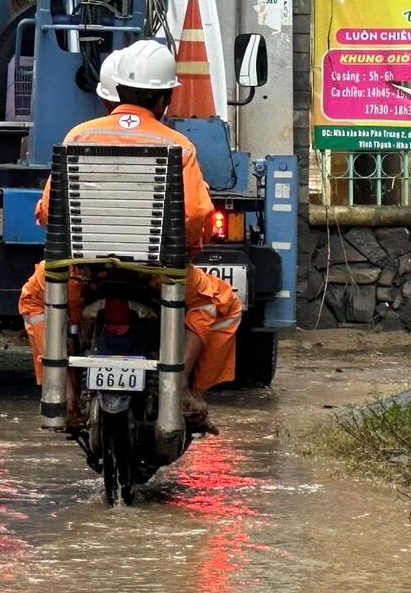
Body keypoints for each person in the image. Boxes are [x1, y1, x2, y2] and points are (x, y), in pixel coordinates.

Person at [17, 39, 242, 430]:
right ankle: (186, 392)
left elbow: (50, 210)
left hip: (84, 274)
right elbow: (197, 214)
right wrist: (189, 243)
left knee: (35, 298)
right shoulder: (179, 146)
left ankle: (64, 391)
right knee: (222, 305)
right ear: (166, 99)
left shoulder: (79, 137)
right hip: (157, 276)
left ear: (116, 91)